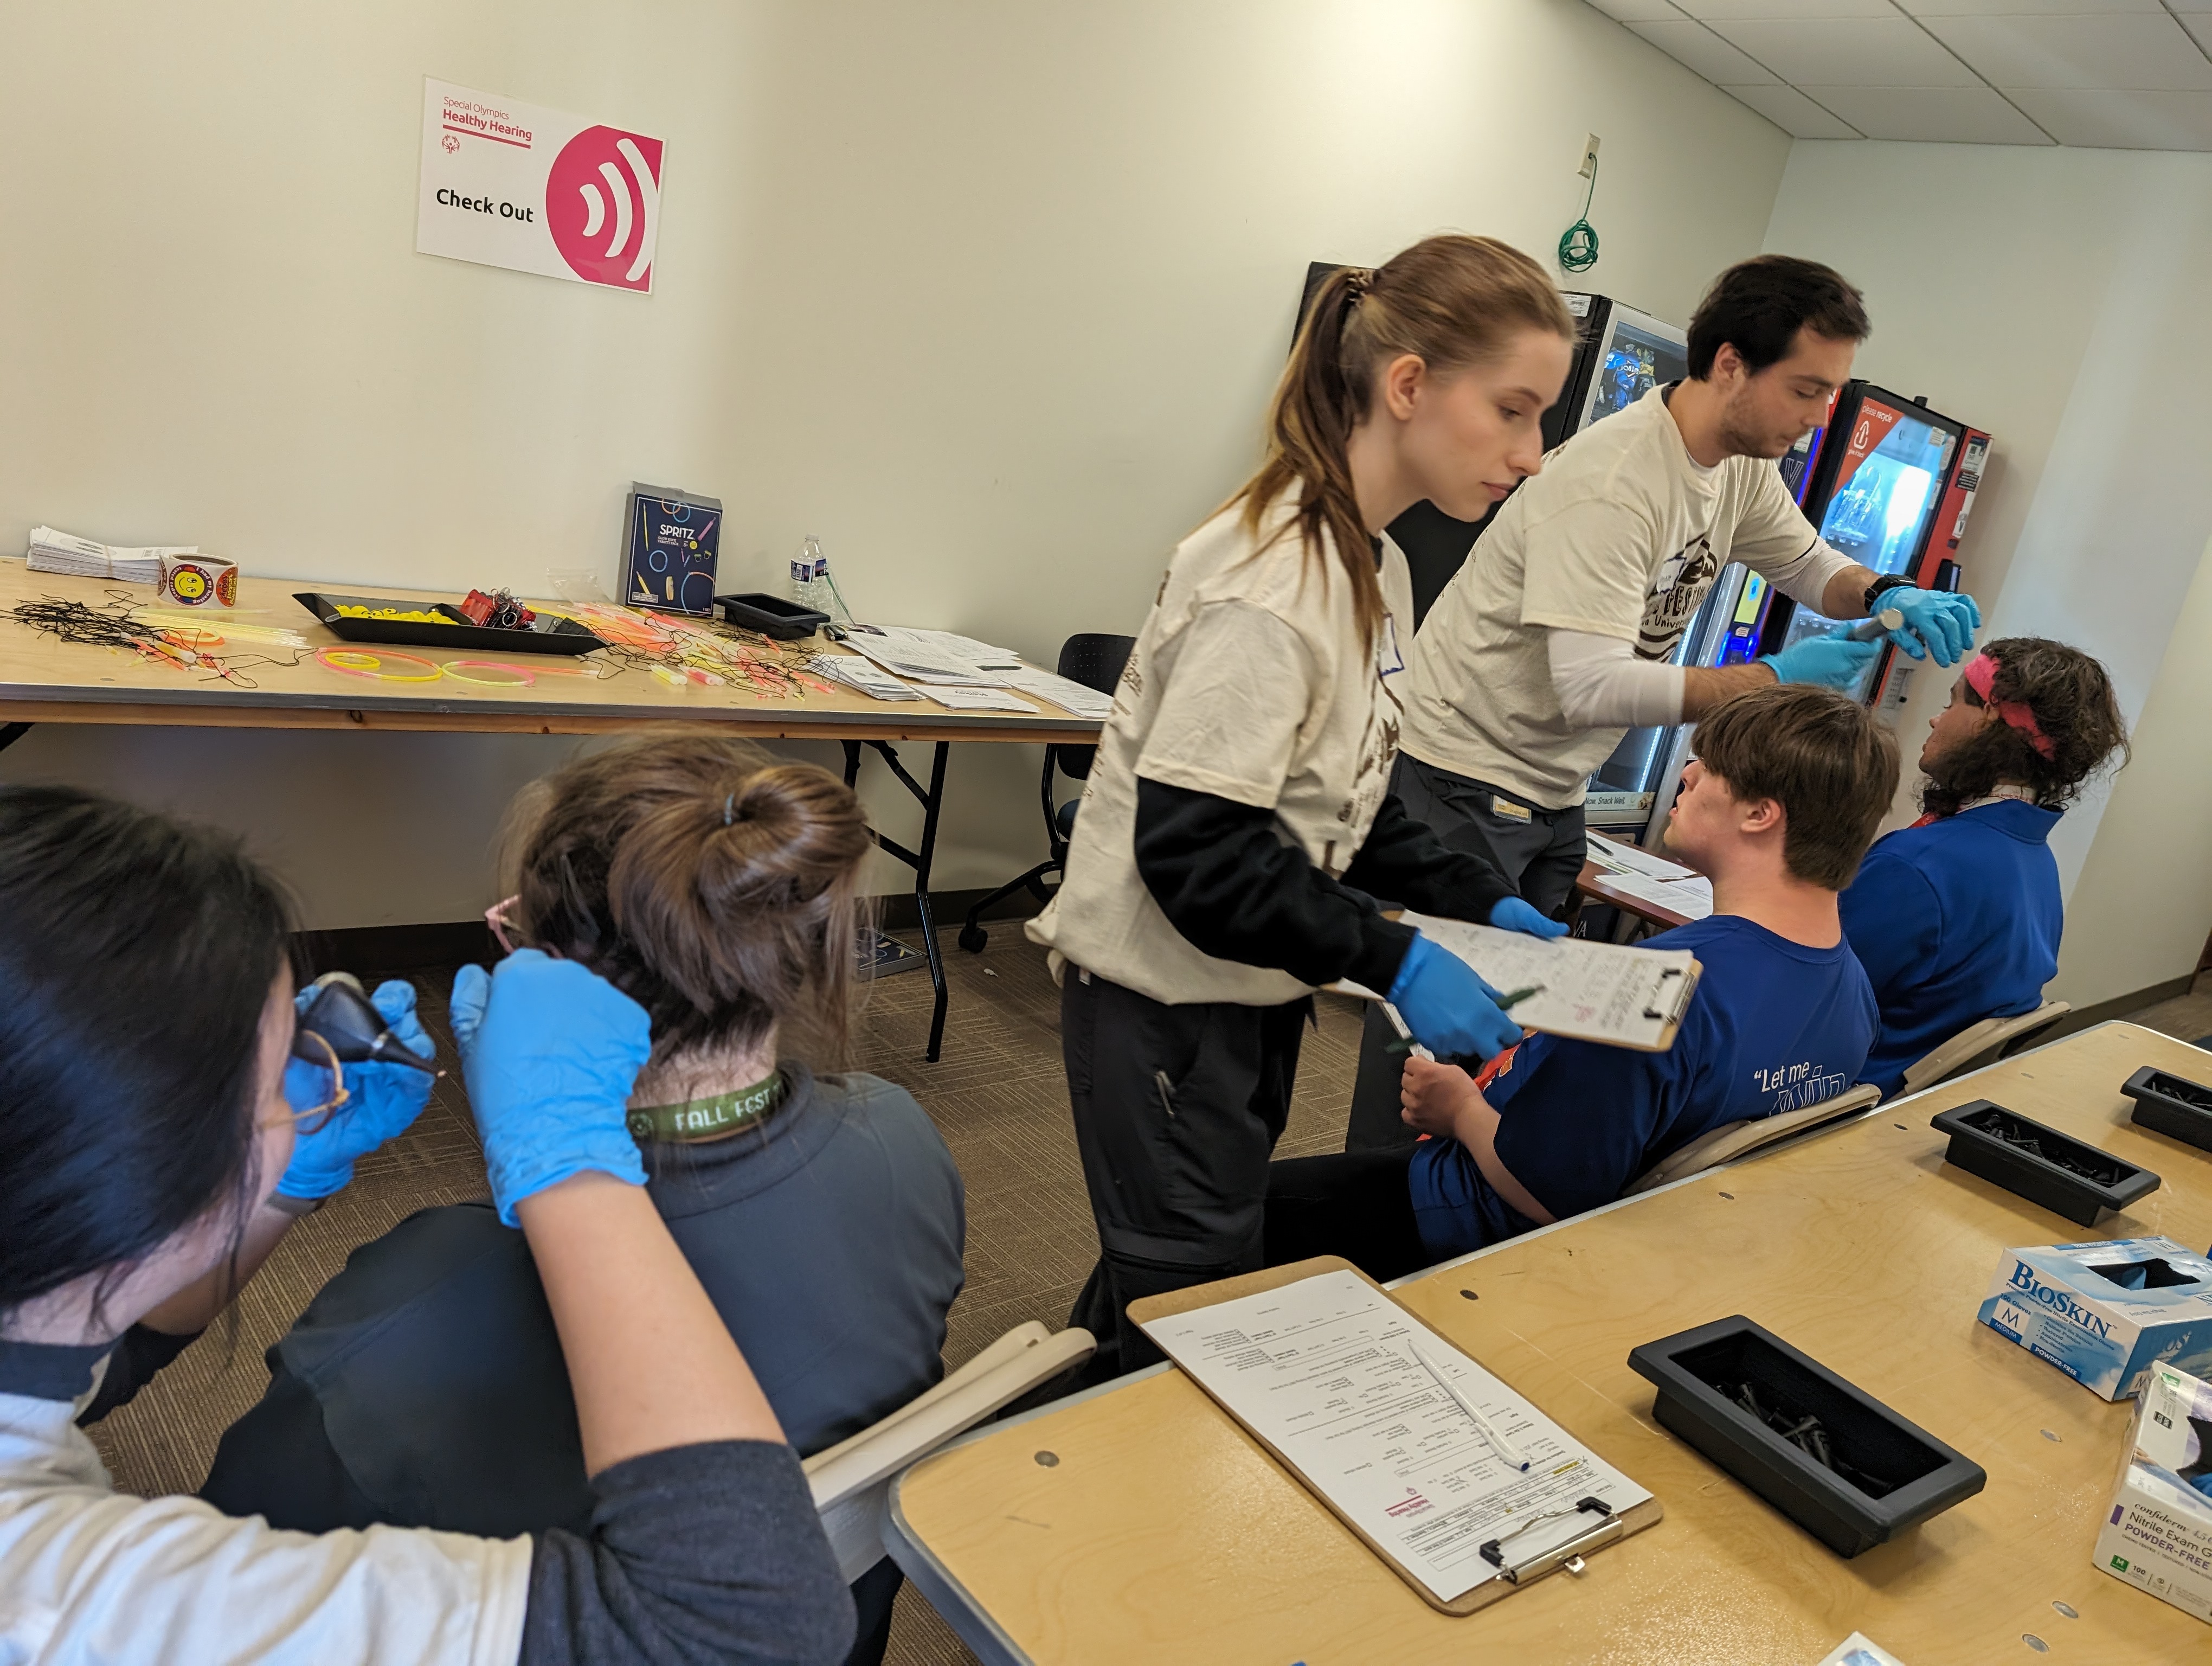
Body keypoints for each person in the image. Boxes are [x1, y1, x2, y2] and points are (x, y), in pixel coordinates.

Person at [0, 784, 855, 1664]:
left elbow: (92, 1356)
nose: (300, 1101)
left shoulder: (381, 1309)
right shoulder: (82, 1606)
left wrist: (278, 1184)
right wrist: (566, 1157)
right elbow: (754, 1626)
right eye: (267, 1095)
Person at [201, 736, 963, 1666]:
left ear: (544, 975)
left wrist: (265, 1184)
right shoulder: (905, 1141)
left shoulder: (396, 1321)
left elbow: (215, 1595)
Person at [1025, 234, 1581, 1382]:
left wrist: (1472, 893)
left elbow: (1351, 788)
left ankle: (1046, 1417)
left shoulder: (1376, 568)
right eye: (1515, 412)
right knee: (1187, 1301)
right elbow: (1203, 855)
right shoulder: (1273, 582)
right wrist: (1398, 959)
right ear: (1410, 384)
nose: (1530, 457)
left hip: (1245, 994)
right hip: (1165, 1003)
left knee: (1183, 1258)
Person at [1341, 254, 1981, 1153]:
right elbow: (1592, 684)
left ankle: (1475, 1209)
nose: (1815, 418)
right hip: (1461, 781)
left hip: (1552, 785)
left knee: (1516, 1039)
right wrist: (1772, 682)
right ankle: (1386, 1223)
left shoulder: (1738, 465)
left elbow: (1802, 563)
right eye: (1804, 390)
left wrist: (1882, 591)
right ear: (1729, 364)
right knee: (1430, 1043)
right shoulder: (1614, 480)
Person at [1266, 684, 1895, 1279]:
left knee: (1235, 1217)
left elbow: (1546, 1195)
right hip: (1667, 1249)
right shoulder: (1853, 988)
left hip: (1471, 1225)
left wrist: (1457, 1108)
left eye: (1708, 765)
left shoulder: (1656, 989)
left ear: (1760, 814)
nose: (1687, 774)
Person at [1841, 638, 2129, 1097]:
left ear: (1991, 722)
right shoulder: (2036, 863)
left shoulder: (1915, 866)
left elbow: (1804, 1004)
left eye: (1953, 701)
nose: (1937, 718)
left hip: (1837, 1096)